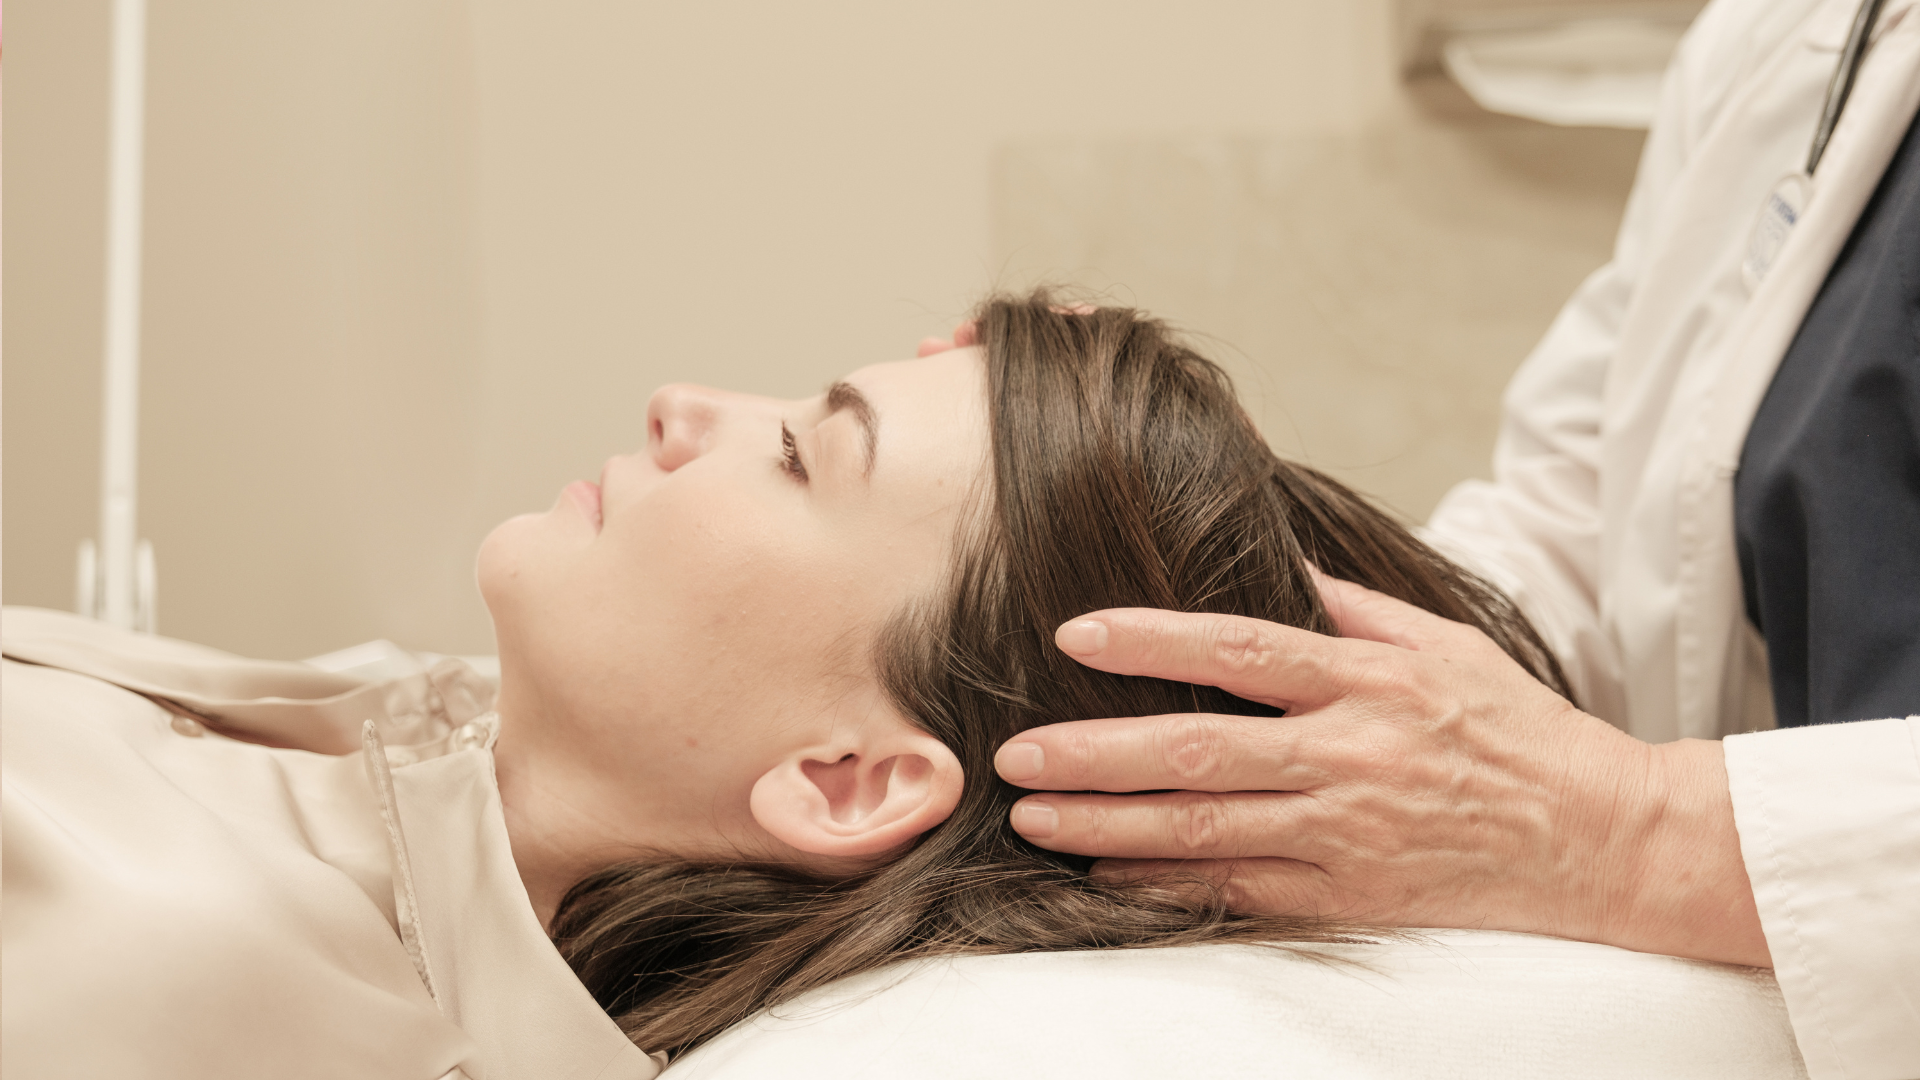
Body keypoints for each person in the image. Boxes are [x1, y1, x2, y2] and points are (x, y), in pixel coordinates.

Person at [0, 296, 1797, 1080]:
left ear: (849, 779)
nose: (686, 407)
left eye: (801, 454)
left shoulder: (161, 952)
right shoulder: (392, 737)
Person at [973, 2, 1920, 1078]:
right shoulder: (1793, 35)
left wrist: (1626, 830)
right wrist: (1225, 544)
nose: (731, 407)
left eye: (805, 452)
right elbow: (1585, 529)